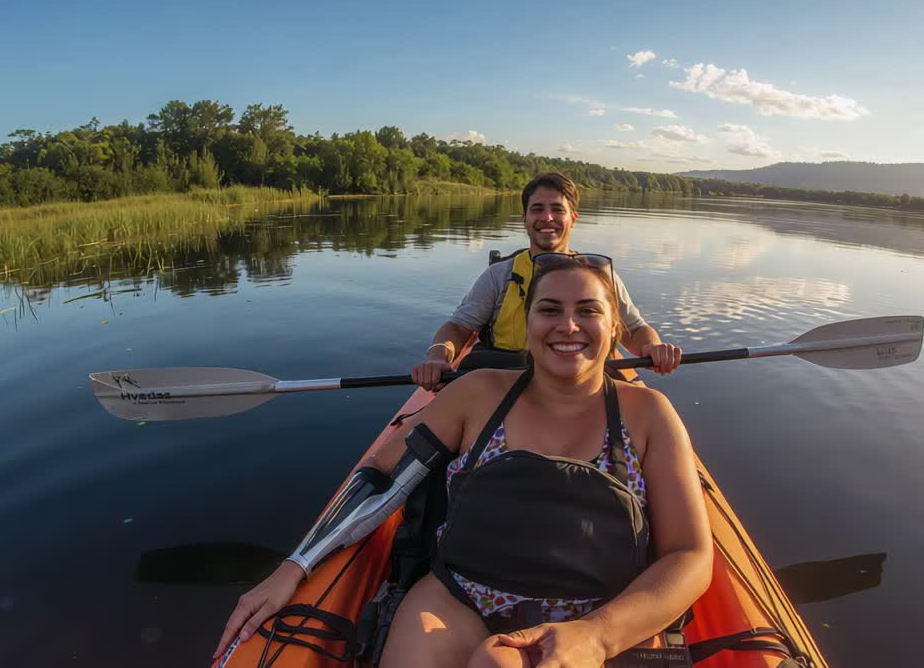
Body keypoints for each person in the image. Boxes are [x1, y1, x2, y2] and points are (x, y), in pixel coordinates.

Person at [214, 254, 712, 667]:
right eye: (549, 309)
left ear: (613, 325)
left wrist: (598, 636)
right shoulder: (476, 394)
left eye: (588, 310)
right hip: (460, 600)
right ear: (529, 321)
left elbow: (689, 555)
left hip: (600, 611)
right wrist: (294, 567)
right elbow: (380, 475)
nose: (568, 326)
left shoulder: (648, 415)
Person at [411, 172, 682, 391]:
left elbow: (633, 330)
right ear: (525, 219)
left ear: (573, 218)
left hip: (579, 385)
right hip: (504, 382)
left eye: (557, 209)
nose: (547, 218)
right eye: (537, 209)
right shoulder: (499, 276)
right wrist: (437, 355)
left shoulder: (600, 277)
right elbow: (457, 329)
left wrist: (653, 348)